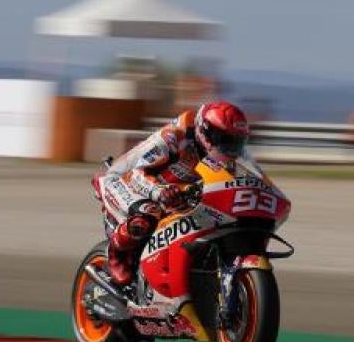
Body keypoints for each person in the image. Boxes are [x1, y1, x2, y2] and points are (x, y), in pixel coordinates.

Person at [91, 100, 250, 288]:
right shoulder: (176, 137)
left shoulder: (225, 157)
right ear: (205, 132)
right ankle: (116, 256)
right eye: (224, 141)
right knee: (148, 214)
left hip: (173, 192)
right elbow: (137, 172)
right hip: (124, 179)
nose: (230, 149)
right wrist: (159, 191)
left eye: (235, 143)